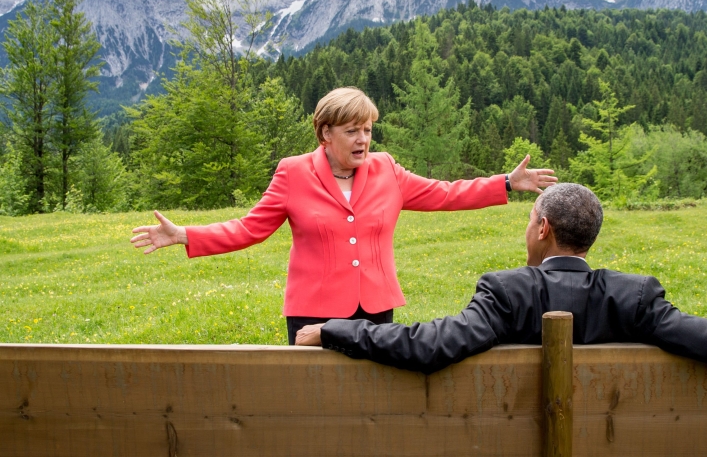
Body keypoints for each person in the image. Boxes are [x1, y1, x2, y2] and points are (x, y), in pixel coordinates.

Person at [130, 87, 557, 344]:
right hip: (313, 310)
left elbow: (443, 193)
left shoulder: (387, 169)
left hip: (375, 308)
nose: (363, 139)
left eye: (368, 130)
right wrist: (185, 234)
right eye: (352, 130)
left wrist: (504, 183)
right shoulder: (292, 173)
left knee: (372, 400)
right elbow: (249, 228)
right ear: (325, 133)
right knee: (314, 404)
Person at [295, 183, 707, 374]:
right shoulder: (634, 296)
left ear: (541, 228)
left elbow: (430, 346)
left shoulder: (505, 292)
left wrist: (335, 330)